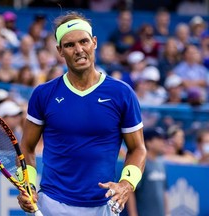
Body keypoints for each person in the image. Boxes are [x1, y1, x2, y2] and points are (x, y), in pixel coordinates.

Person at [17, 11, 146, 216]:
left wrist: (126, 183)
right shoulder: (43, 94)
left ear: (94, 42)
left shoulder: (122, 94)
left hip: (103, 207)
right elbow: (27, 147)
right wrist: (29, 186)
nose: (79, 50)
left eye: (84, 41)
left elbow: (138, 149)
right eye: (69, 45)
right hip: (51, 204)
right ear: (60, 50)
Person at [127, 127, 169, 216]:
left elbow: (164, 191)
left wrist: (167, 213)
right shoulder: (140, 164)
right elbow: (130, 191)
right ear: (148, 142)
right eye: (159, 139)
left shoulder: (161, 164)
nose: (163, 142)